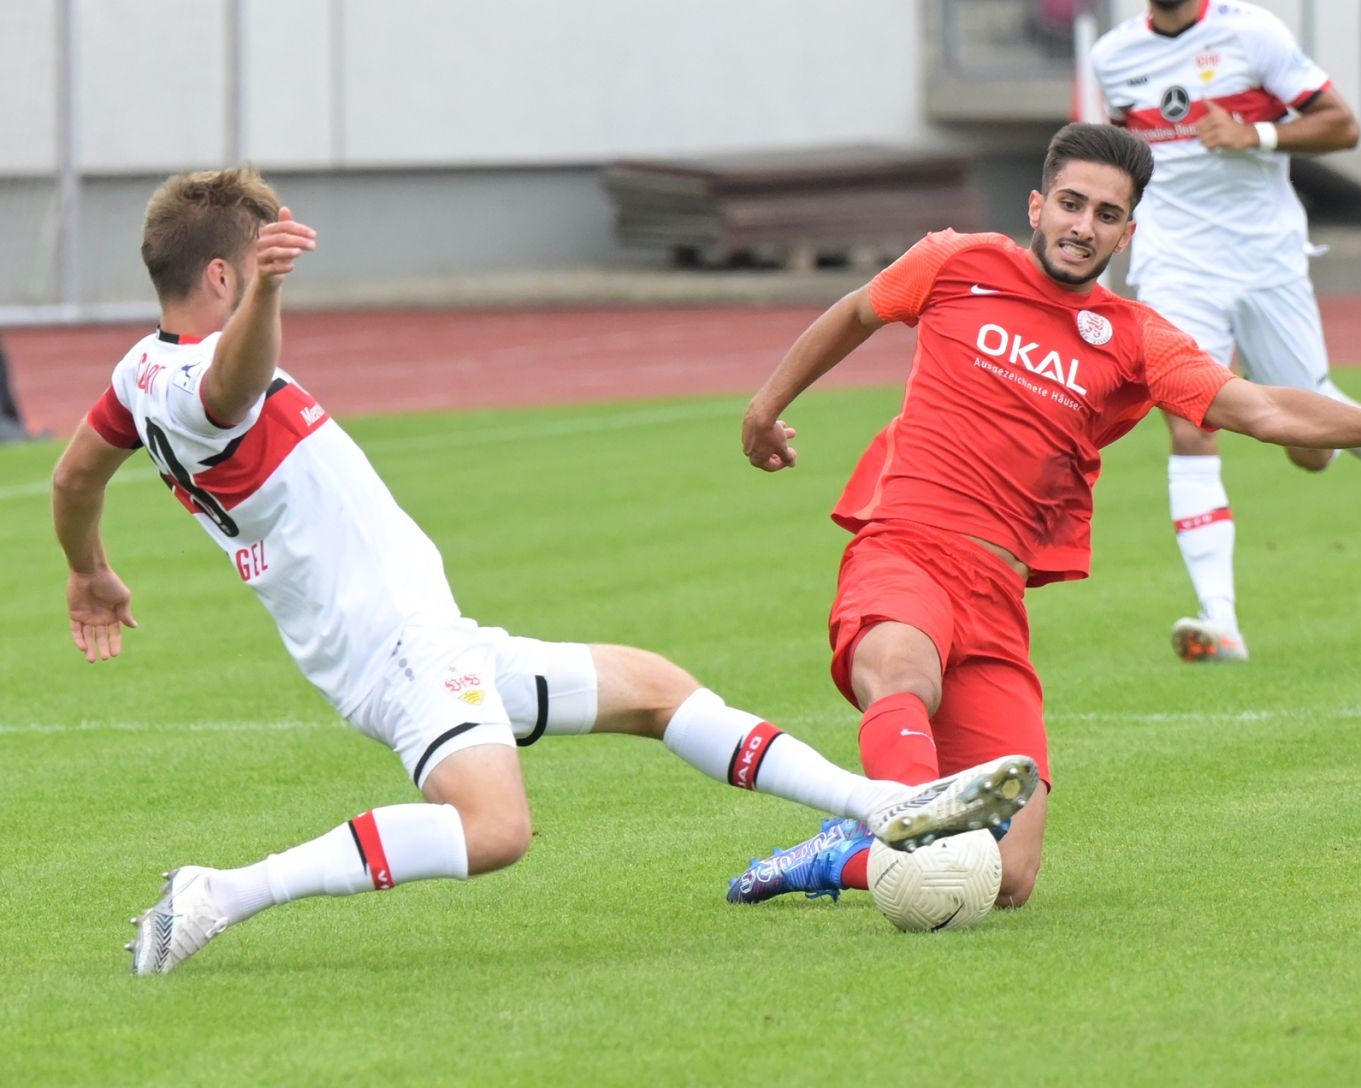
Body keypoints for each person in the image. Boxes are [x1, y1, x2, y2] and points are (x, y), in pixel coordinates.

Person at [52, 168, 1040, 975]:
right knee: (493, 829)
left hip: (412, 633)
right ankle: (221, 891)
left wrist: (88, 569)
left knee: (656, 689)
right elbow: (231, 386)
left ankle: (880, 804)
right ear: (225, 276)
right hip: (399, 644)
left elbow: (73, 473)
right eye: (263, 272)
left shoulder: (139, 370)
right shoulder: (198, 381)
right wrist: (268, 295)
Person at [725, 123, 1361, 910]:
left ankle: (839, 852)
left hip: (996, 596)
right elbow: (857, 312)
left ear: (1129, 231)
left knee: (1010, 877)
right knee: (905, 676)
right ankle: (884, 814)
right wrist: (765, 408)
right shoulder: (957, 261)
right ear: (1037, 204)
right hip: (906, 547)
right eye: (1070, 204)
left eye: (1105, 214)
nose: (1083, 227)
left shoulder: (1136, 340)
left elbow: (1260, 408)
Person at [1088, 0, 1361, 666]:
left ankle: (1337, 416)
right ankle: (1221, 621)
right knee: (1190, 421)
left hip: (1267, 258)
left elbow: (1343, 125)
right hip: (1176, 263)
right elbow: (1123, 153)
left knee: (1307, 448)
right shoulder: (1114, 55)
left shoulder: (1253, 34)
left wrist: (1254, 132)